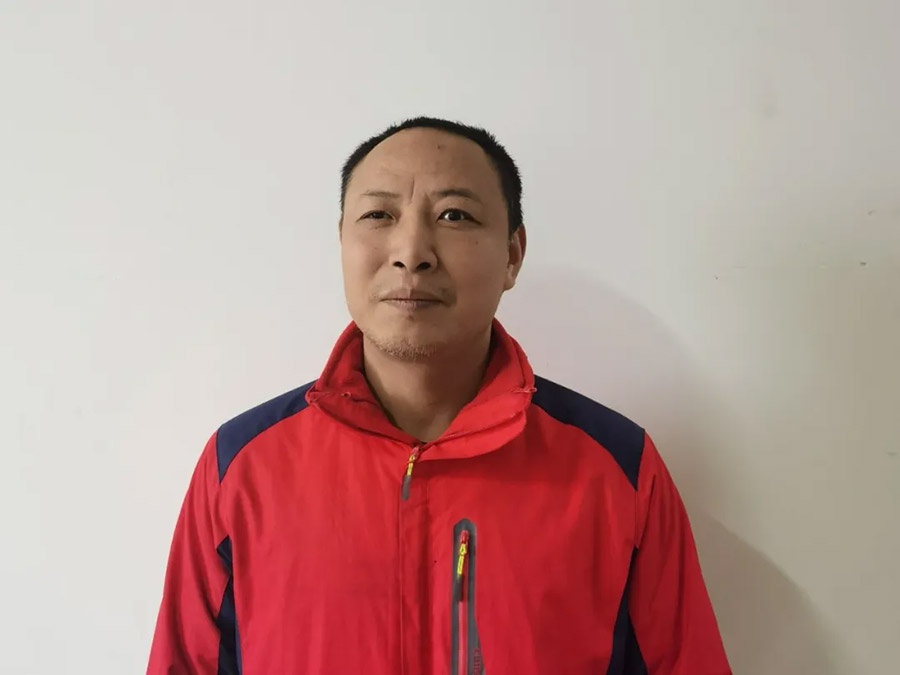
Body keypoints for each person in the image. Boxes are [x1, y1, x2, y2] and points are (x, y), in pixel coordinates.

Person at [147, 116, 732, 674]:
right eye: (378, 214)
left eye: (455, 215)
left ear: (512, 254)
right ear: (342, 241)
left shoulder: (614, 469)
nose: (411, 251)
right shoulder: (242, 466)